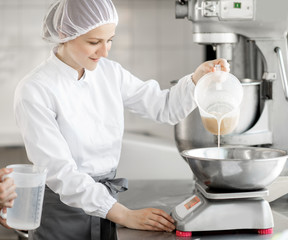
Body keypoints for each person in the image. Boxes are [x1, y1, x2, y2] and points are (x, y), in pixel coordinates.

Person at [14, 0, 230, 239]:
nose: (105, 51)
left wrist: (197, 79)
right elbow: (60, 173)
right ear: (65, 34)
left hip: (108, 204)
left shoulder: (110, 72)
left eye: (110, 40)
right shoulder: (35, 89)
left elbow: (164, 108)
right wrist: (124, 215)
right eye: (94, 42)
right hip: (63, 213)